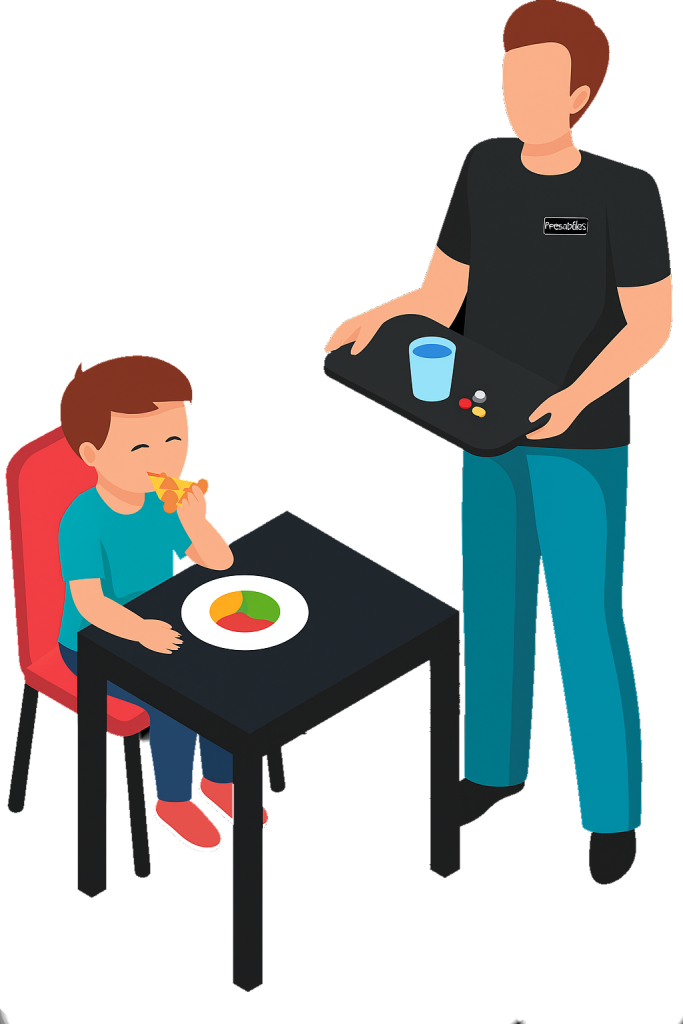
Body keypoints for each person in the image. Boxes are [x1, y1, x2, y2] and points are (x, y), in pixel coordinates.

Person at [321, 1, 672, 883]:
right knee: (497, 611)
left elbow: (649, 327)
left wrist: (576, 393)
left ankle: (614, 820)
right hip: (483, 434)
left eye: (541, 81)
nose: (522, 97)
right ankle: (491, 778)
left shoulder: (624, 192)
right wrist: (361, 326)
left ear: (581, 92)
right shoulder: (483, 169)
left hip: (584, 445)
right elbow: (438, 298)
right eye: (511, 79)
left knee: (588, 627)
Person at [58, 356, 236, 852]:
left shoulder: (168, 501)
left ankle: (219, 779)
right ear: (92, 454)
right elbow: (90, 604)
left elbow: (219, 562)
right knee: (175, 698)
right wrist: (139, 631)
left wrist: (199, 520)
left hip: (168, 620)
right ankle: (173, 800)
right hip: (95, 643)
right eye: (140, 446)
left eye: (176, 440)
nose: (163, 458)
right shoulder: (83, 521)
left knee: (225, 672)